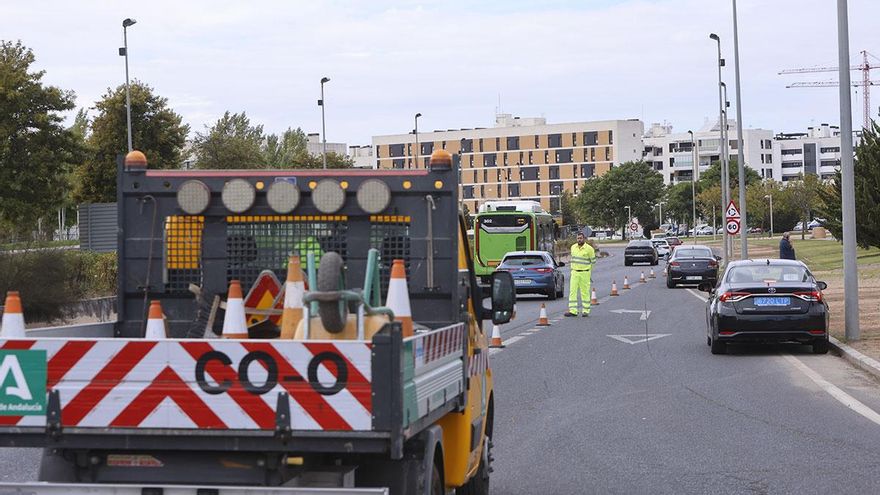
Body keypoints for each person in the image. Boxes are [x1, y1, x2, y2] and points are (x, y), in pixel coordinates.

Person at [566, 231, 597, 317]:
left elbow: (593, 262)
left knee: (585, 292)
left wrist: (589, 271)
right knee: (572, 292)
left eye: (580, 238)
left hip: (584, 273)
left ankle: (586, 310)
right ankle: (573, 311)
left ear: (584, 239)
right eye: (578, 238)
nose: (579, 240)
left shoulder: (589, 249)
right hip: (574, 272)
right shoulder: (573, 247)